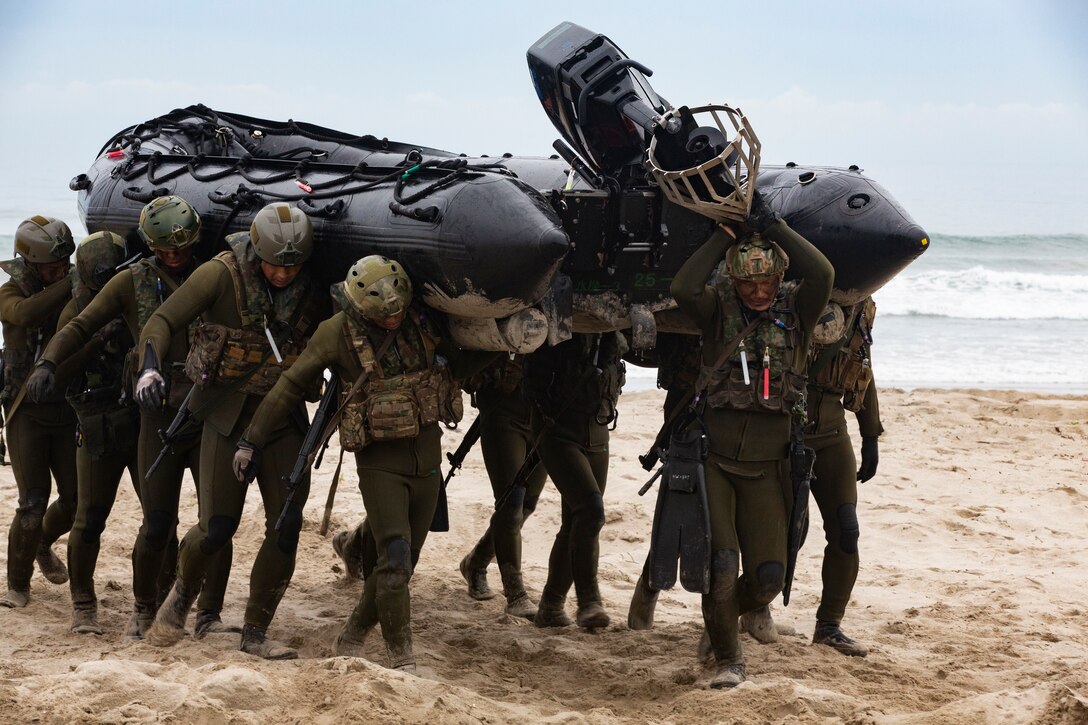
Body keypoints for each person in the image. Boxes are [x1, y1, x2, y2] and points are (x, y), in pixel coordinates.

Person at [240, 255, 481, 671]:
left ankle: (352, 633)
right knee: (395, 557)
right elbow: (289, 386)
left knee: (402, 565)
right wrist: (251, 441)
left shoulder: (420, 320)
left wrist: (513, 345)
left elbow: (461, 363)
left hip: (427, 463)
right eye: (382, 316)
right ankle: (402, 659)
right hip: (379, 464)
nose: (392, 320)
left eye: (397, 312)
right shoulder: (335, 333)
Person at [32, 196, 236, 639]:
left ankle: (207, 615)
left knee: (216, 521)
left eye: (182, 246)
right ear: (149, 245)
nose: (175, 255)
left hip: (207, 410)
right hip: (151, 414)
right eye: (165, 248)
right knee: (149, 522)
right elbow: (79, 326)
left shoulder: (216, 276)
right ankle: (130, 610)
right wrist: (48, 364)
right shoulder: (132, 282)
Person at [140, 201, 323, 659]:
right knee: (218, 528)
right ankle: (183, 591)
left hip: (283, 424)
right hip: (225, 416)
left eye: (293, 266)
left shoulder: (314, 287)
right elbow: (163, 319)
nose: (283, 275)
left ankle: (256, 631)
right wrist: (149, 368)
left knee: (285, 526)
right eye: (275, 265)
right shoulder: (221, 274)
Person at [669, 194, 833, 688]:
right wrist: (726, 235)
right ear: (733, 282)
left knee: (767, 578)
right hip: (715, 462)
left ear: (779, 280)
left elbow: (822, 274)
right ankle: (728, 658)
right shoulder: (717, 311)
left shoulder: (799, 313)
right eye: (748, 282)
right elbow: (683, 286)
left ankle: (722, 620)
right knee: (721, 564)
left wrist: (775, 228)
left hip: (769, 467)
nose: (758, 291)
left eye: (766, 281)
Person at [742, 296, 882, 656]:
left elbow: (863, 365)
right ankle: (754, 606)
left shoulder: (859, 306)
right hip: (784, 434)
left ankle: (829, 625)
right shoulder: (790, 296)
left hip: (833, 434)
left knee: (846, 530)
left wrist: (869, 435)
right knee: (788, 534)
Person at [26, 231, 141, 633]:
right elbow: (62, 375)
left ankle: (152, 600)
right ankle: (83, 606)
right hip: (97, 418)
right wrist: (96, 344)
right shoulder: (76, 309)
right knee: (88, 515)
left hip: (141, 415)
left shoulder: (137, 290)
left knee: (159, 518)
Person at [523, 331, 626, 631]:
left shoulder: (612, 328)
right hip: (557, 429)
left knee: (577, 522)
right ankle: (589, 601)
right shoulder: (553, 325)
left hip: (598, 428)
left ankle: (551, 607)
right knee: (591, 512)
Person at [0, 216, 78, 608]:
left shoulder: (72, 285)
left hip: (67, 410)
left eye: (66, 263)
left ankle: (43, 544)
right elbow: (26, 314)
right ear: (29, 263)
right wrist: (73, 283)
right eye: (52, 266)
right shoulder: (9, 292)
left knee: (75, 500)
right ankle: (17, 587)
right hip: (25, 412)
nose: (61, 270)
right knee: (32, 503)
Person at [457, 354, 547, 619]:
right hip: (504, 409)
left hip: (545, 413)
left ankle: (476, 562)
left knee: (527, 505)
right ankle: (515, 593)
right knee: (510, 504)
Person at [627, 331, 702, 629]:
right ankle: (645, 595)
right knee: (678, 516)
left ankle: (754, 609)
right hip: (690, 410)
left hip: (741, 412)